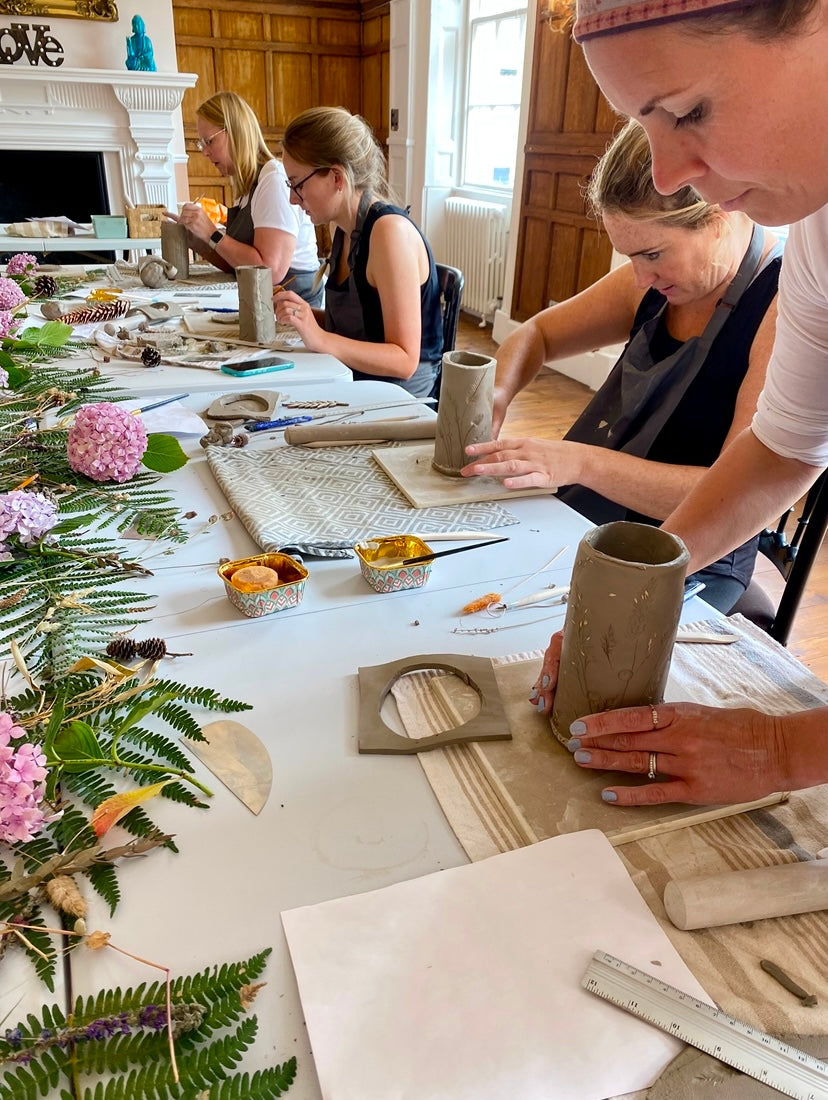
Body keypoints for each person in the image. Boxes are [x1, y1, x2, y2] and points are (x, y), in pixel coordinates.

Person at [531, 0, 828, 807]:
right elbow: (784, 449)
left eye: (690, 110)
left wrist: (779, 748)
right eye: (643, 122)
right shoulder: (818, 228)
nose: (666, 175)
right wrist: (637, 587)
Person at [461, 117, 780, 614]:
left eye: (653, 254)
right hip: (594, 517)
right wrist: (496, 397)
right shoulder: (654, 282)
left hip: (694, 555)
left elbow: (737, 495)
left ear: (719, 215)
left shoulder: (782, 307)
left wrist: (581, 462)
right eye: (630, 256)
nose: (639, 277)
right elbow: (536, 335)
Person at [273, 106, 443, 397]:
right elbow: (361, 326)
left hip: (401, 395)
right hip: (357, 377)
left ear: (337, 178)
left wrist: (322, 339)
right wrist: (301, 315)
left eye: (297, 184)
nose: (292, 199)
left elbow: (404, 360)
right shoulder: (340, 227)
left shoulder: (390, 233)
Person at [167, 93, 322, 305]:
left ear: (235, 132)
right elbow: (237, 263)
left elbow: (270, 271)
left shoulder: (273, 179)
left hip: (296, 307)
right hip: (265, 301)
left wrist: (212, 232)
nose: (204, 152)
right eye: (201, 144)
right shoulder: (247, 185)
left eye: (209, 141)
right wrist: (196, 239)